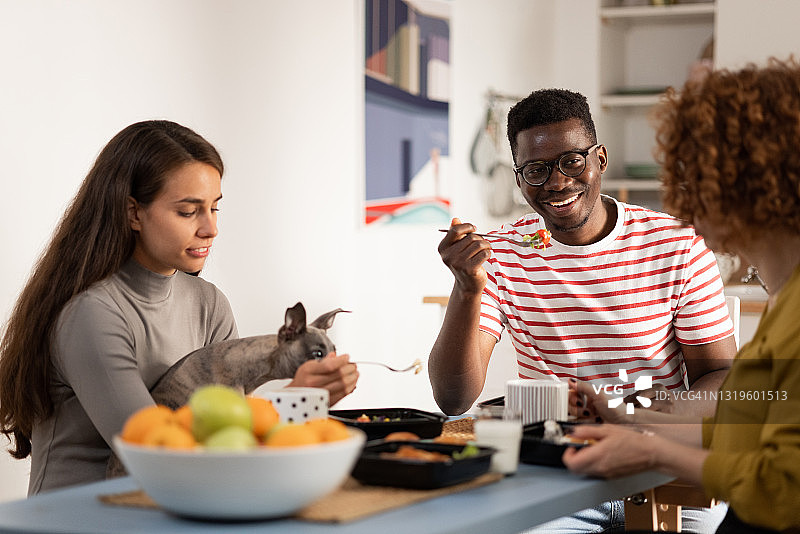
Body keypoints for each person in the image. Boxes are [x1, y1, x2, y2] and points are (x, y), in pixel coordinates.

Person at [430, 88, 737, 532]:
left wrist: (640, 414)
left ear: (601, 159)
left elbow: (721, 378)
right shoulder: (505, 255)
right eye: (536, 170)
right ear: (519, 180)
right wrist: (466, 288)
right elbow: (453, 399)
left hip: (664, 471)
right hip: (556, 478)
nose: (556, 182)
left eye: (572, 160)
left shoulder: (676, 245)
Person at [0, 120, 359, 495]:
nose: (210, 228)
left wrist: (304, 400)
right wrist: (291, 401)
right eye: (189, 212)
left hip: (176, 509)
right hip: (83, 519)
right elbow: (154, 454)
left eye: (214, 208)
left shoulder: (210, 304)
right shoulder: (93, 314)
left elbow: (227, 440)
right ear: (133, 213)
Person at [563, 58, 800, 533]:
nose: (683, 204)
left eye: (695, 181)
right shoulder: (785, 300)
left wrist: (650, 450)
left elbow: (783, 490)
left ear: (743, 182)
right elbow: (741, 428)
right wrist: (630, 417)